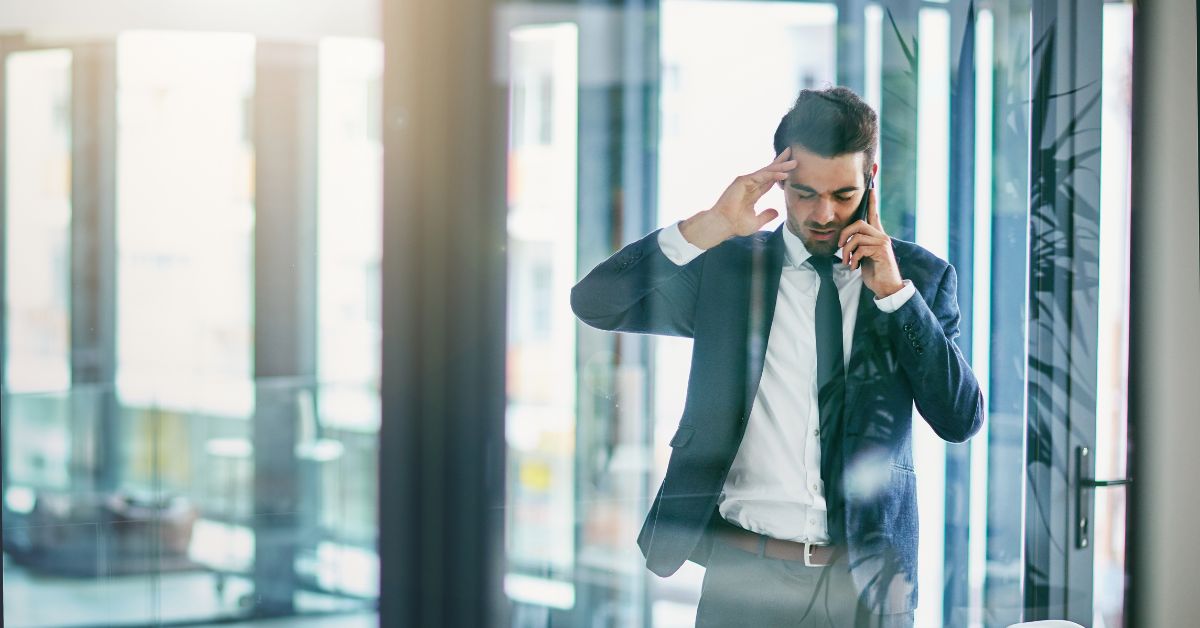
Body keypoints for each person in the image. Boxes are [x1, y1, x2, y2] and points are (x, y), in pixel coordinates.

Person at [570, 86, 984, 627]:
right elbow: (595, 303)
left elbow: (959, 419)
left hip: (864, 588)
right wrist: (708, 227)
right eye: (804, 193)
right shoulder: (728, 272)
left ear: (871, 178)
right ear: (778, 178)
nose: (823, 214)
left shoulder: (917, 281)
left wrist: (894, 295)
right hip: (743, 579)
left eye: (843, 194)